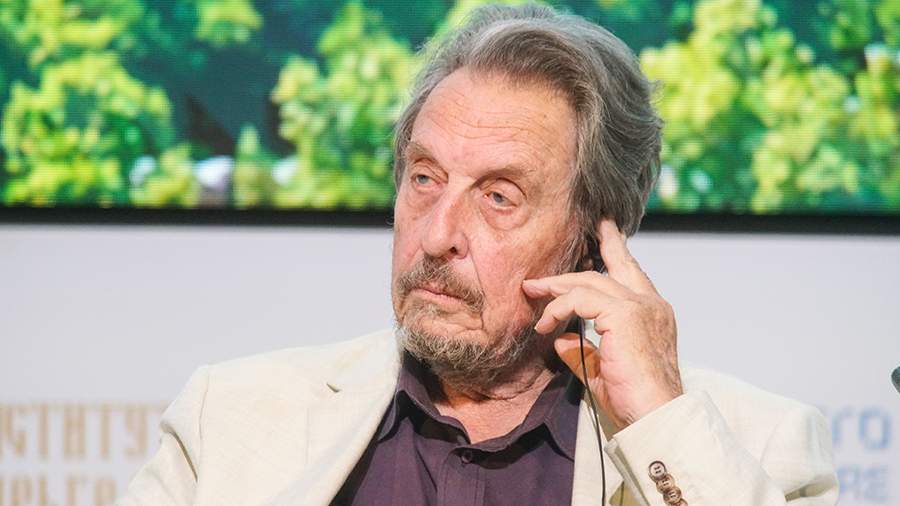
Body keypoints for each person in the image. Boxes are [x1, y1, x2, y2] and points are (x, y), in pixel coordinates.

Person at [118, 4, 838, 505]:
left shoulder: (752, 444)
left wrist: (658, 419)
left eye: (498, 196)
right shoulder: (232, 418)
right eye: (424, 179)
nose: (436, 236)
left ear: (593, 238)